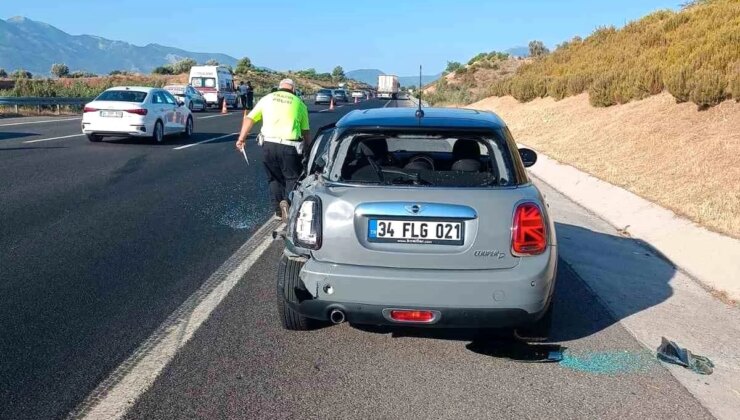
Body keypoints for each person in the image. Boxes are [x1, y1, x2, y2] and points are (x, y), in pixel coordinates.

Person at [235, 79, 310, 220]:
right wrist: (308, 148)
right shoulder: (299, 103)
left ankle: (278, 211)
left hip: (268, 145)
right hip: (290, 146)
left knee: (273, 178)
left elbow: (249, 119)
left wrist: (241, 139)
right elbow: (305, 131)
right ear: (293, 90)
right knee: (292, 178)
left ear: (279, 88)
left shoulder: (267, 99)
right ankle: (288, 205)